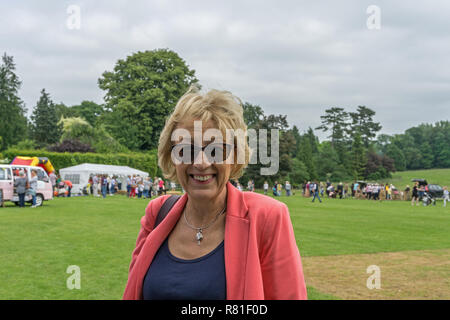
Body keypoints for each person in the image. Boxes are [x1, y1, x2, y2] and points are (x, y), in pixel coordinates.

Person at [123, 86, 307, 300]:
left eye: (216, 150)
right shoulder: (157, 213)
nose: (201, 162)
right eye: (187, 149)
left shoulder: (267, 217)